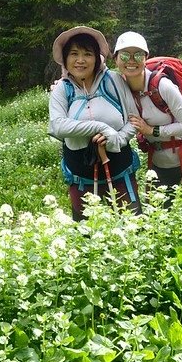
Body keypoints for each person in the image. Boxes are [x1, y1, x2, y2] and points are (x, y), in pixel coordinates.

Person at [48, 26, 142, 221]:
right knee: (87, 235)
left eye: (87, 54)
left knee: (133, 226)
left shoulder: (114, 81)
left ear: (97, 58)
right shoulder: (62, 90)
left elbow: (134, 119)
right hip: (80, 176)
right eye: (74, 54)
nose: (80, 60)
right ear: (65, 59)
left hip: (120, 171)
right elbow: (57, 126)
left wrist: (117, 139)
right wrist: (100, 128)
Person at [114, 31, 182, 197]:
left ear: (146, 58)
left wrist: (152, 131)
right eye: (124, 56)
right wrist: (66, 80)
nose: (131, 61)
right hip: (160, 166)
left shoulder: (162, 85)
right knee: (159, 216)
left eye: (137, 55)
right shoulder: (117, 87)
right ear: (115, 59)